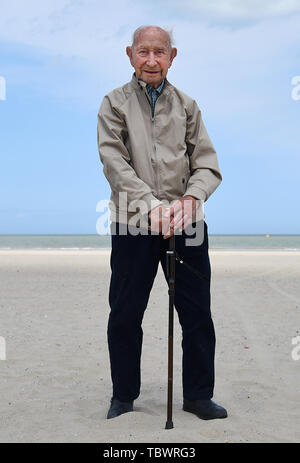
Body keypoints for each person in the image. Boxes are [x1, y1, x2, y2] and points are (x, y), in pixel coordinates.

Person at [97, 25, 227, 421]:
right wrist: (151, 205)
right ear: (130, 54)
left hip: (186, 222)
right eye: (143, 52)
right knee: (125, 312)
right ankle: (124, 395)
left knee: (197, 313)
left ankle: (198, 396)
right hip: (133, 222)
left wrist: (191, 198)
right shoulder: (113, 103)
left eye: (160, 52)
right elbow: (114, 162)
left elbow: (206, 163)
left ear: (172, 56)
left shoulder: (188, 105)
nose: (151, 60)